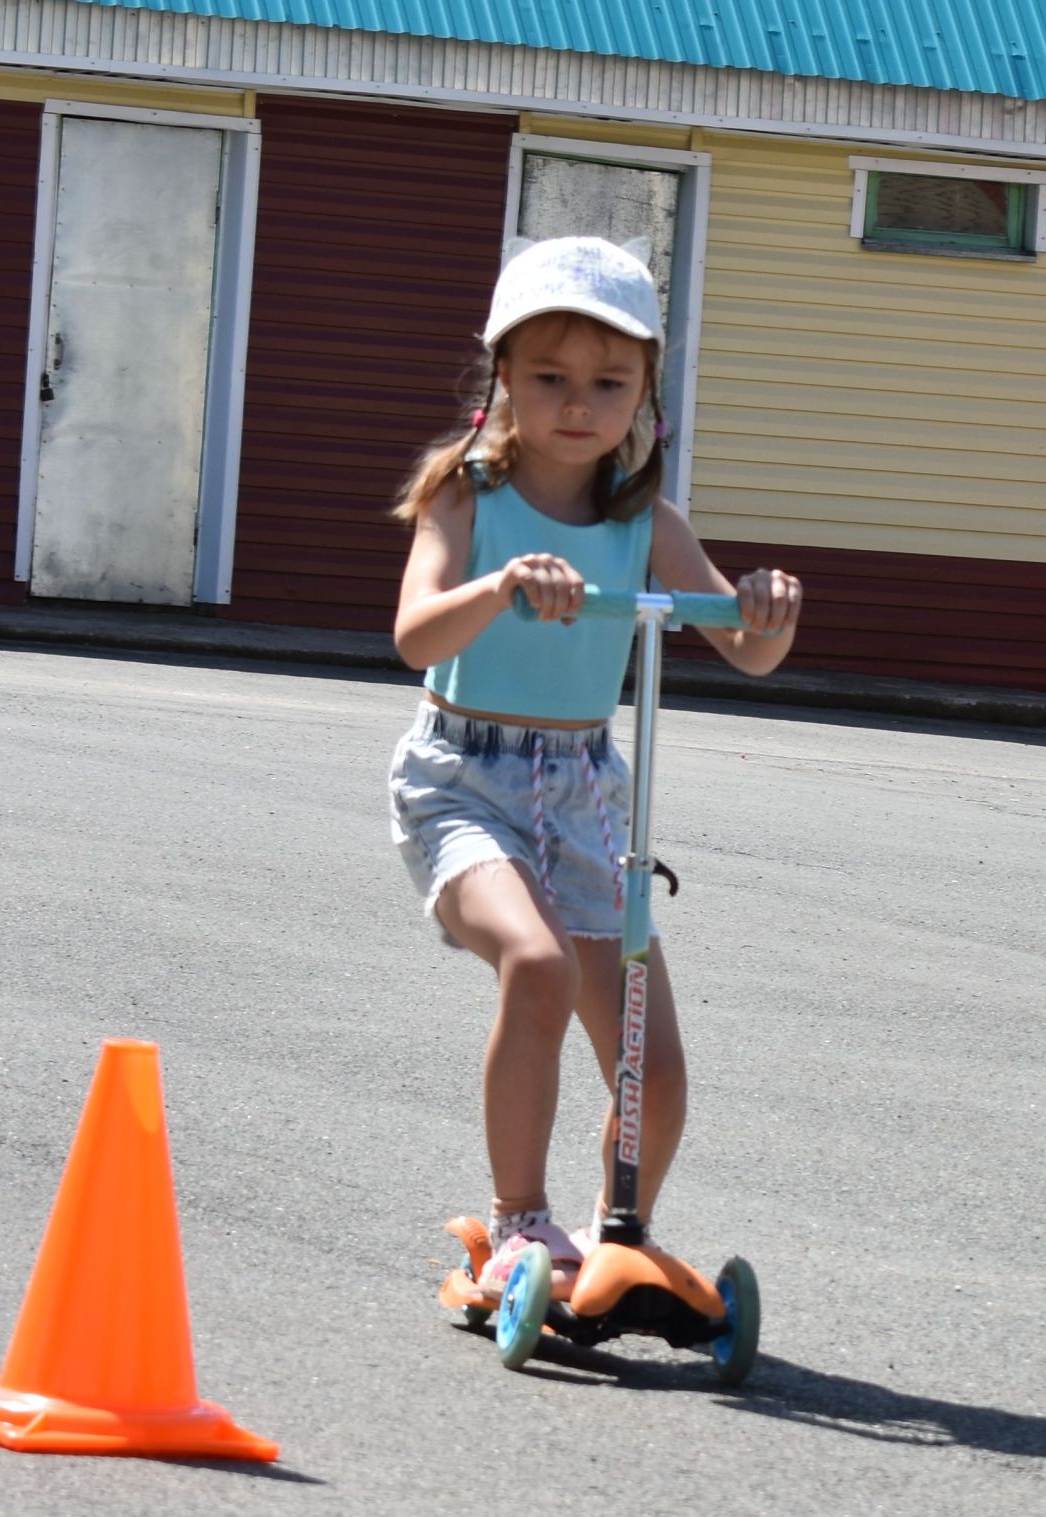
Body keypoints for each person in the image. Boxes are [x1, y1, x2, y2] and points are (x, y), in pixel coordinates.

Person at [387, 236, 803, 1292]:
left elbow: (748, 651)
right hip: (464, 778)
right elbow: (416, 635)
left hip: (584, 794)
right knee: (533, 964)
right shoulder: (465, 501)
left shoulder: (645, 524)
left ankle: (624, 1225)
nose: (579, 404)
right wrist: (499, 588)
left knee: (651, 1062)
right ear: (504, 383)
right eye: (551, 379)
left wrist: (765, 608)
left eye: (608, 383)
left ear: (645, 396)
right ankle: (518, 1217)